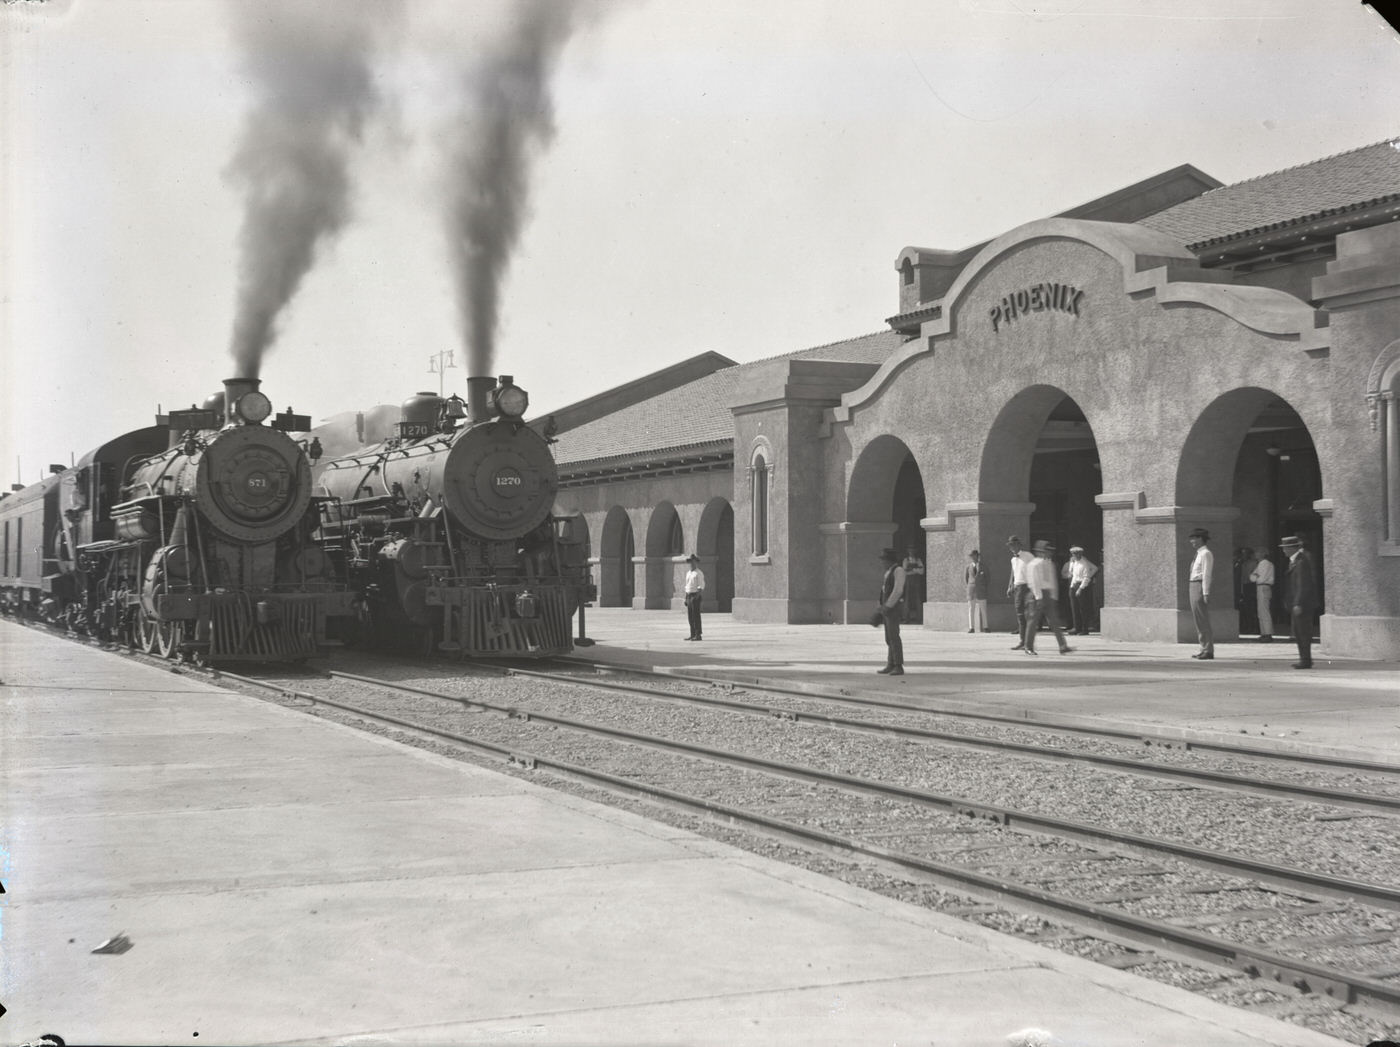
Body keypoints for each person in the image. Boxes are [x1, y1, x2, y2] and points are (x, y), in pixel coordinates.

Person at [1024, 540, 1072, 655]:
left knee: (1055, 621)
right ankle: (1028, 646)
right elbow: (1034, 581)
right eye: (1047, 551)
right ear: (1040, 552)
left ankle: (1063, 646)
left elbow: (1052, 581)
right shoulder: (1033, 564)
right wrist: (1038, 597)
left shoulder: (1049, 564)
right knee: (1033, 621)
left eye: (1050, 551)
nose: (1049, 553)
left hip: (1048, 594)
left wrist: (1054, 596)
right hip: (1037, 594)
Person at [1280, 535, 1318, 669]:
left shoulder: (1301, 562)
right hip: (1297, 603)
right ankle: (1304, 658)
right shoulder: (1295, 561)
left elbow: (1303, 585)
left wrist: (1298, 603)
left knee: (1303, 632)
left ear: (1291, 548)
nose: (1283, 551)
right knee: (1299, 632)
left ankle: (1305, 660)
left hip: (1302, 604)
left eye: (1285, 548)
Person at [877, 547, 906, 675]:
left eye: (884, 560)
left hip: (893, 608)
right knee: (889, 637)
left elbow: (898, 590)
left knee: (894, 636)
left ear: (889, 560)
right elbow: (884, 590)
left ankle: (898, 665)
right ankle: (891, 663)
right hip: (887, 608)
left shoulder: (898, 570)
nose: (882, 563)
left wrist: (888, 605)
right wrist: (881, 605)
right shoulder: (888, 572)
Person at [1187, 527, 1214, 660]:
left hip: (1199, 584)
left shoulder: (1206, 554)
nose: (1192, 541)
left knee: (1202, 619)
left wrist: (1206, 592)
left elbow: (1207, 574)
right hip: (1193, 584)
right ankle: (1203, 647)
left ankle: (1208, 649)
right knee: (1198, 619)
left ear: (1201, 539)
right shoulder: (1199, 553)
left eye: (1194, 538)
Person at [1006, 536, 1035, 650]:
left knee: (1027, 615)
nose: (1011, 547)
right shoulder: (1013, 559)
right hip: (1017, 587)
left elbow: (1035, 570)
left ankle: (1027, 641)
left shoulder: (1028, 556)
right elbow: (1013, 573)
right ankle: (1023, 641)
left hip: (1027, 586)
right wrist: (1010, 586)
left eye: (1013, 545)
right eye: (1010, 546)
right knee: (1020, 615)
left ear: (1019, 545)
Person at [1064, 546, 1098, 636]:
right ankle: (1077, 627)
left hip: (1081, 586)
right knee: (1074, 608)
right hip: (1074, 585)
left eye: (1075, 554)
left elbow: (1086, 577)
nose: (1073, 556)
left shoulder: (1084, 563)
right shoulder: (1075, 563)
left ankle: (1084, 629)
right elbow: (1074, 576)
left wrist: (1080, 589)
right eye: (1072, 554)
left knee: (1082, 608)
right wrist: (1071, 587)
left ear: (1079, 554)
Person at [1249, 548, 1275, 643]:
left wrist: (1255, 576)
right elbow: (1251, 577)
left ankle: (1267, 633)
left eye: (1258, 552)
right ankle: (1264, 633)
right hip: (1260, 587)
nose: (1256, 554)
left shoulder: (1265, 563)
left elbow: (1260, 578)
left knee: (1264, 610)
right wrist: (1255, 576)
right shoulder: (1260, 564)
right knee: (1261, 611)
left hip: (1263, 586)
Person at [1236, 547, 1259, 635]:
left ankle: (1255, 627)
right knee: (1246, 608)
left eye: (1245, 553)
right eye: (1242, 553)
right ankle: (1248, 627)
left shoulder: (1254, 563)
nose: (1243, 555)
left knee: (1253, 608)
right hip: (1245, 586)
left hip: (1252, 585)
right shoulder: (1242, 564)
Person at [964, 549, 988, 633]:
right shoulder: (968, 567)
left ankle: (986, 627)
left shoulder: (983, 566)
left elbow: (987, 578)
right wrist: (970, 586)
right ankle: (971, 628)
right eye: (972, 556)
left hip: (981, 590)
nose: (973, 557)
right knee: (971, 609)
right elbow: (966, 579)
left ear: (978, 556)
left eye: (974, 555)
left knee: (983, 609)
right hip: (971, 590)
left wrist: (983, 586)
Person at [682, 554, 705, 641]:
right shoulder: (688, 573)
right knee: (690, 617)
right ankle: (692, 634)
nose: (692, 564)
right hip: (689, 595)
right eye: (690, 562)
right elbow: (687, 586)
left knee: (696, 616)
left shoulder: (698, 573)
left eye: (693, 562)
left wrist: (696, 596)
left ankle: (698, 634)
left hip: (695, 595)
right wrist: (686, 598)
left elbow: (701, 586)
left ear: (696, 562)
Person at [903, 548, 925, 624]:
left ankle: (919, 619)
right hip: (908, 582)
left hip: (916, 582)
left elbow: (922, 571)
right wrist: (916, 570)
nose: (911, 552)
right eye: (910, 550)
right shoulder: (906, 560)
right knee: (907, 599)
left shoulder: (918, 560)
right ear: (908, 551)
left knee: (918, 599)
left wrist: (912, 570)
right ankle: (906, 618)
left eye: (913, 550)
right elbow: (905, 572)